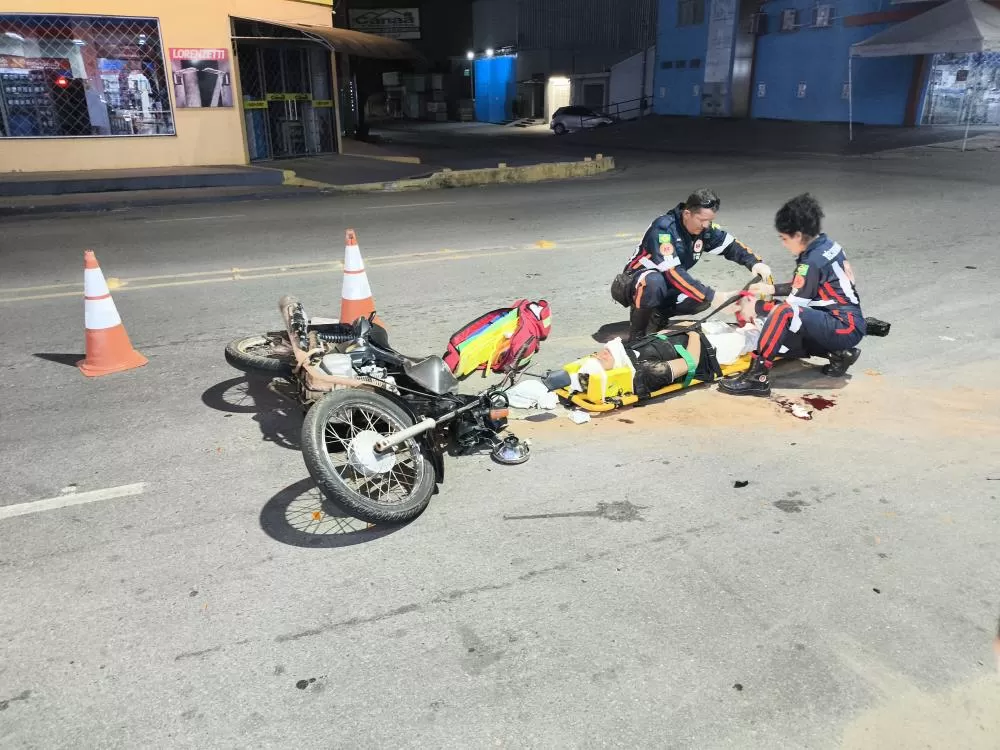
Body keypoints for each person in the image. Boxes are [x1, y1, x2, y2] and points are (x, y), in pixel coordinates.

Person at [718, 193, 866, 398]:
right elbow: (809, 287)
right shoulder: (827, 245)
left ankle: (757, 378)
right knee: (778, 317)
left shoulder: (810, 262)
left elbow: (789, 310)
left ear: (798, 235)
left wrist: (753, 307)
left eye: (784, 238)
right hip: (844, 321)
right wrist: (771, 290)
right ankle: (839, 354)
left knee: (780, 317)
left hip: (841, 326)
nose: (783, 244)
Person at [613, 188, 773, 341]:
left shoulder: (704, 229)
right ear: (687, 213)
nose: (706, 225)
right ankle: (637, 336)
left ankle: (658, 316)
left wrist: (755, 263)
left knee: (700, 298)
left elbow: (731, 246)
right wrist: (714, 296)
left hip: (668, 283)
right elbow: (672, 272)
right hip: (637, 282)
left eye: (710, 221)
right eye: (702, 220)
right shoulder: (663, 229)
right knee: (655, 282)